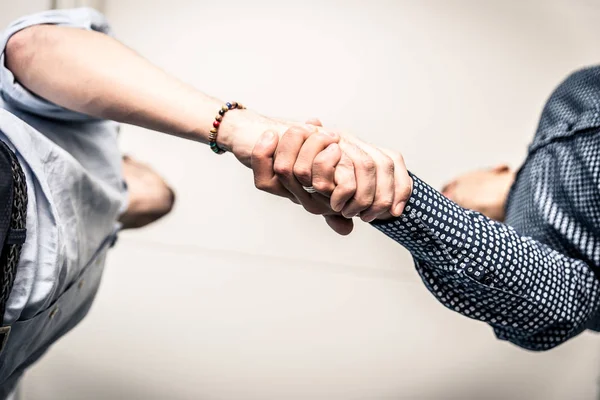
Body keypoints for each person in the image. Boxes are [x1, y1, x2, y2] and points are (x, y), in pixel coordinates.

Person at [0, 7, 407, 398]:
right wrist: (245, 132)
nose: (156, 200)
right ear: (128, 160)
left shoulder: (89, 280)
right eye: (139, 177)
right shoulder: (91, 134)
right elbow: (32, 48)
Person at [252, 67, 600, 354]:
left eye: (450, 188)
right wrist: (395, 204)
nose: (447, 196)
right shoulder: (542, 258)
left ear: (496, 168)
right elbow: (564, 299)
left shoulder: (566, 99)